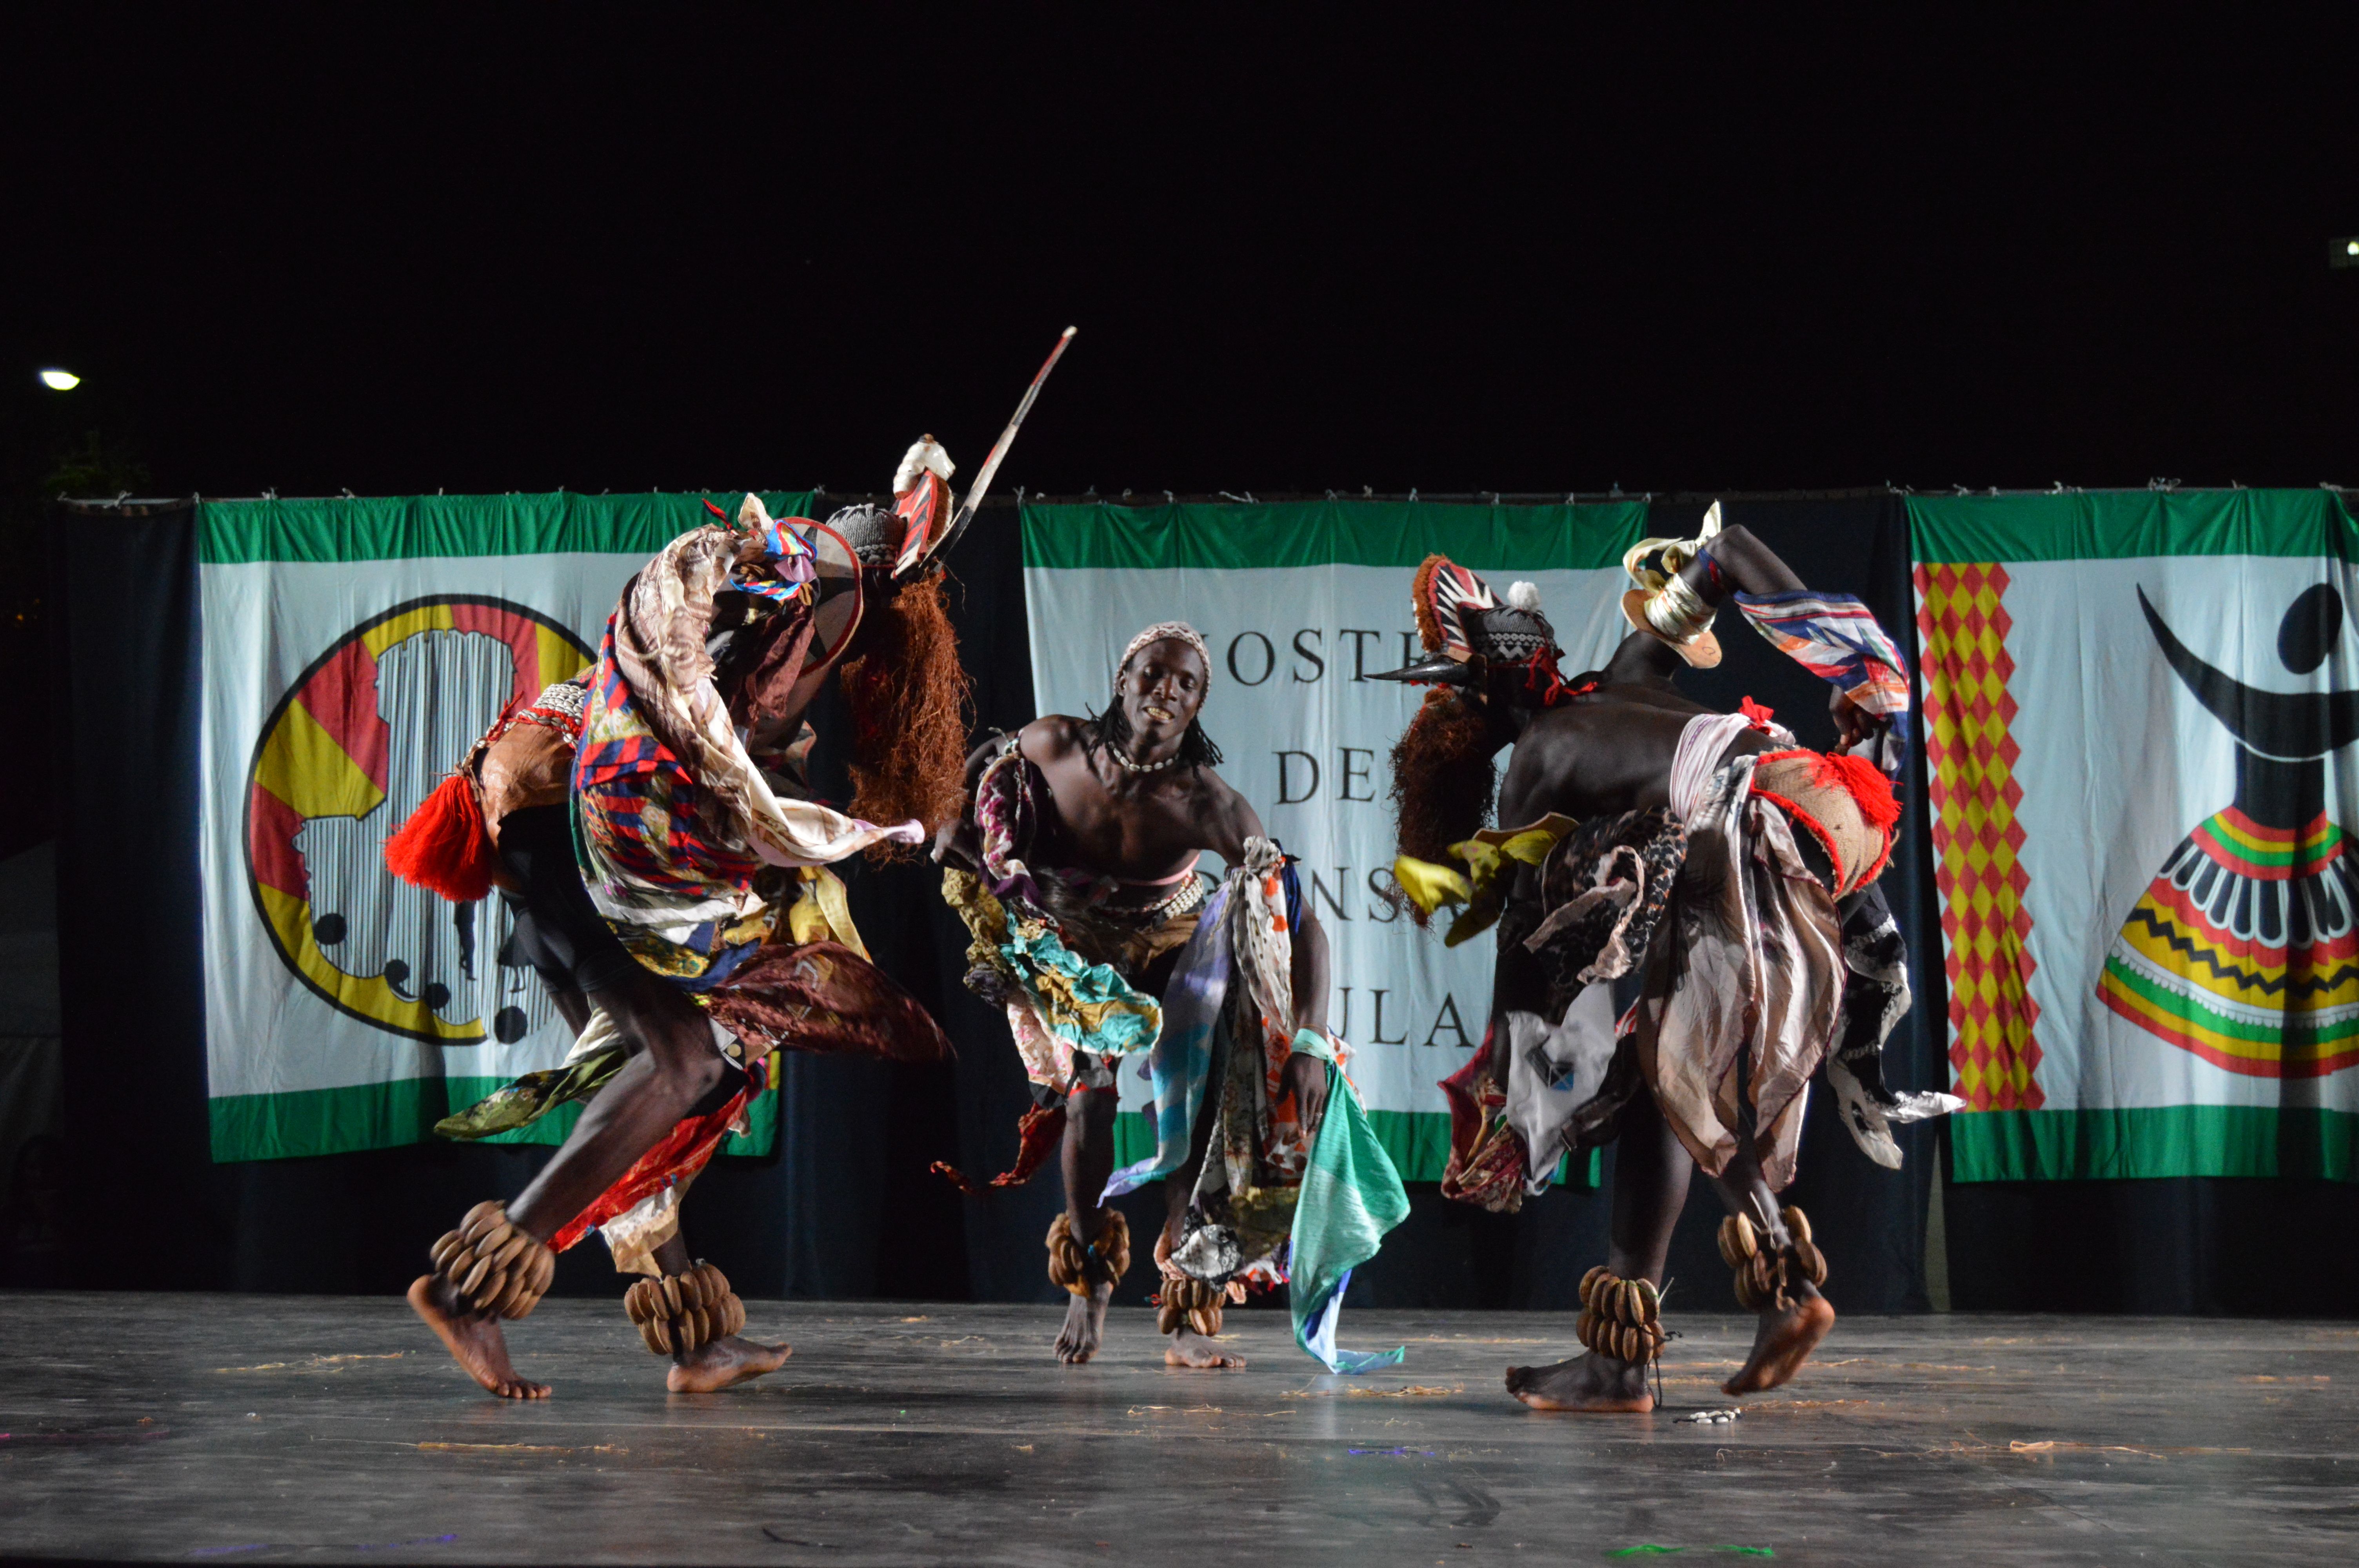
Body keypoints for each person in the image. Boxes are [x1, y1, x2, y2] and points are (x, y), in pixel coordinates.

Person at [388, 442, 973, 1398]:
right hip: (566, 827)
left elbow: (723, 745)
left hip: (555, 829)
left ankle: (693, 1342)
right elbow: (714, 743)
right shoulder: (820, 595)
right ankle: (469, 1291)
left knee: (676, 1074)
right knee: (687, 1060)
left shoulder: (787, 589)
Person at [1377, 507, 1956, 1412]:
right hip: (1830, 806)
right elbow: (1720, 560)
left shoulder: (1537, 757)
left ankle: (1790, 1293)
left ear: (1485, 706)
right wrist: (1831, 652)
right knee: (1659, 1073)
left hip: (1754, 820)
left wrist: (1504, 1079)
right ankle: (1622, 1362)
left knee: (1660, 1058)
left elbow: (1527, 947)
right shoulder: (1626, 673)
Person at [934, 622, 1406, 1371]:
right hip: (1074, 940)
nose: (1167, 690)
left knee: (1187, 1107)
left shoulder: (1206, 799)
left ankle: (1186, 1310)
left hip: (1173, 940)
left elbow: (1304, 921)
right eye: (1155, 674)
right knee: (1088, 1099)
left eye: (1187, 684)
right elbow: (977, 779)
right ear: (1124, 678)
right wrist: (964, 834)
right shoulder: (1055, 744)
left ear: (1198, 708)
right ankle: (1087, 1282)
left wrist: (1312, 1041)